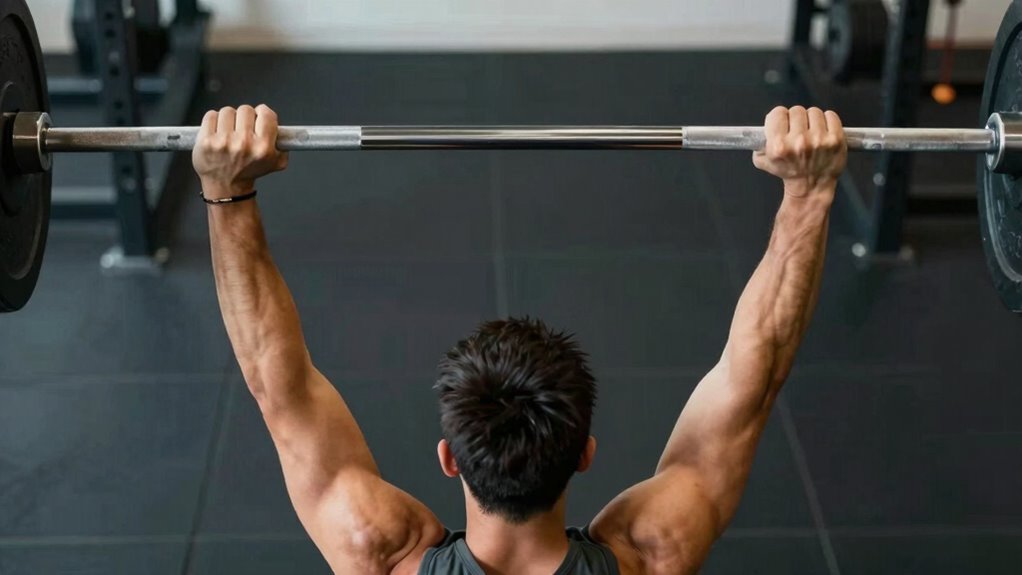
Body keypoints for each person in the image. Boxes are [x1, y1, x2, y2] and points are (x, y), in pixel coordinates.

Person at [193, 104, 847, 575]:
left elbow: (277, 385)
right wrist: (809, 194)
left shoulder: (379, 553)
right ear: (585, 453)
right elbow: (752, 379)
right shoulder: (652, 553)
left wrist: (226, 190)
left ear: (449, 458)